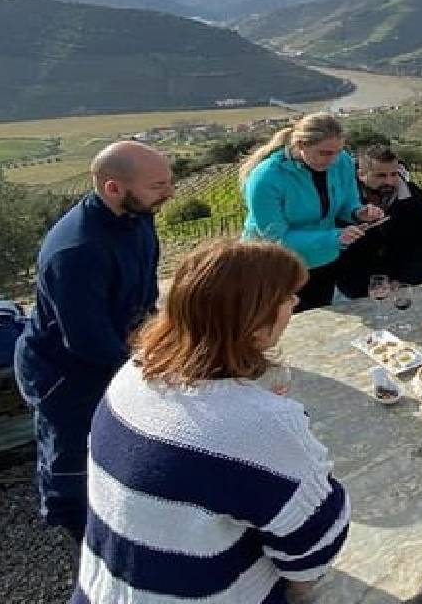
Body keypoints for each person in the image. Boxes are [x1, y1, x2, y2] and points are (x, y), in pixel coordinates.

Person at [71, 239, 350, 603]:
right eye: (287, 297)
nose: (296, 303)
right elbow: (313, 545)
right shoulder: (261, 424)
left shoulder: (134, 373)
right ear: (254, 322)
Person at [13, 140, 173, 543]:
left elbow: (144, 287)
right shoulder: (77, 251)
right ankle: (83, 539)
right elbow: (88, 341)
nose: (168, 194)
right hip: (65, 374)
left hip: (114, 349)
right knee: (73, 459)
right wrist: (151, 368)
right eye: (157, 186)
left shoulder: (137, 215)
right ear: (113, 188)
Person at [240, 113, 384, 311]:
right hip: (276, 268)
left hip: (322, 259)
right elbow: (274, 239)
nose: (333, 160)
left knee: (319, 316)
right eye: (325, 153)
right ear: (300, 145)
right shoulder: (266, 179)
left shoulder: (341, 161)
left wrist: (358, 212)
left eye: (338, 151)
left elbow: (348, 201)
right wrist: (333, 237)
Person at [336, 144, 422, 299]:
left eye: (394, 174)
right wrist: (374, 284)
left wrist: (403, 280)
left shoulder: (412, 195)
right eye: (381, 176)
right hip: (358, 286)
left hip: (408, 278)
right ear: (362, 174)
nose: (389, 181)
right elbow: (342, 253)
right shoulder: (344, 200)